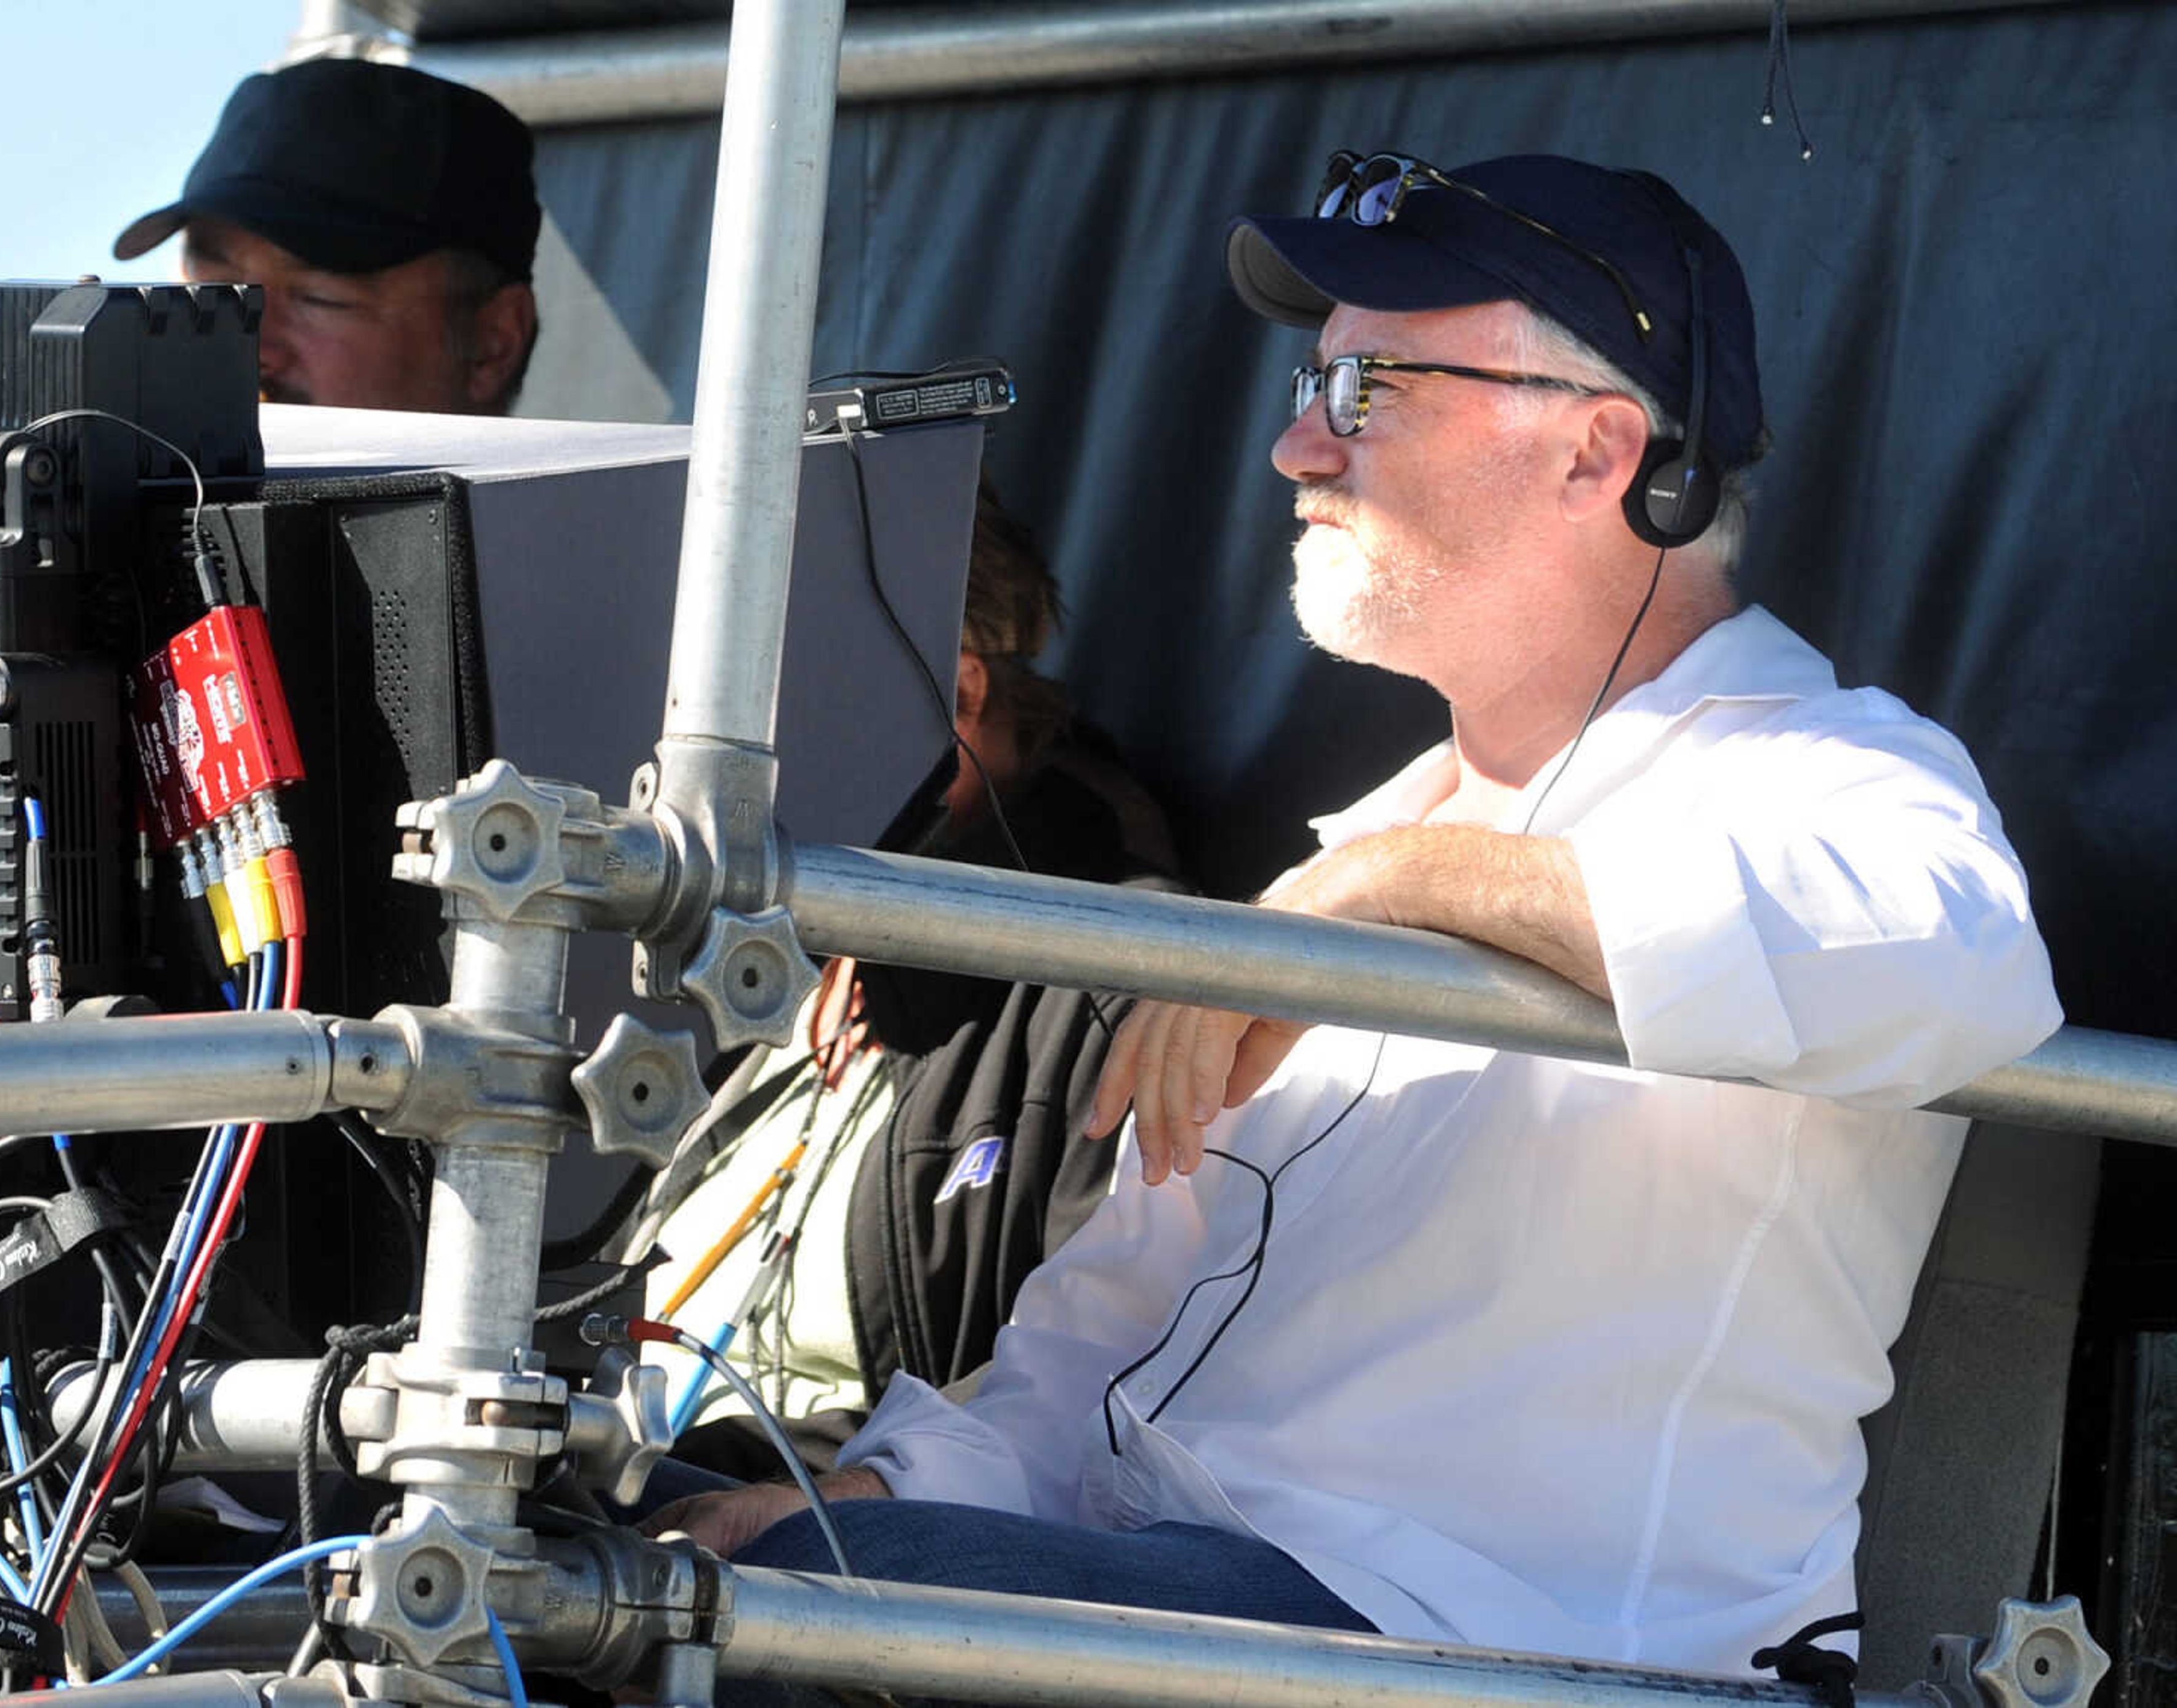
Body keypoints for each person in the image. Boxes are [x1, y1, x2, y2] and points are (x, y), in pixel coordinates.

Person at [640, 152, 2062, 1686]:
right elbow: (1086, 1352)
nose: (1293, 447)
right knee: (519, 1525)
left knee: (760, 1614)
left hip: (1496, 1648)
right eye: (1311, 384)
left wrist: (1380, 895)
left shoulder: (1827, 767)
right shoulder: (1373, 835)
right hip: (1174, 1591)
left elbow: (1965, 965)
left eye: (1369, 386)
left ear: (1600, 452)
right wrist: (855, 1492)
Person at [634, 478, 1179, 1476]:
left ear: (960, 694)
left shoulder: (1122, 976)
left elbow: (1083, 1396)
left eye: (746, 709)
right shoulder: (735, 918)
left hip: (812, 1545)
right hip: (609, 1482)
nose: (704, 763)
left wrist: (838, 1494)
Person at [112, 58, 541, 414]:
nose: (248, 348)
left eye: (318, 297)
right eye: (212, 294)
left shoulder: (589, 518)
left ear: (492, 345)